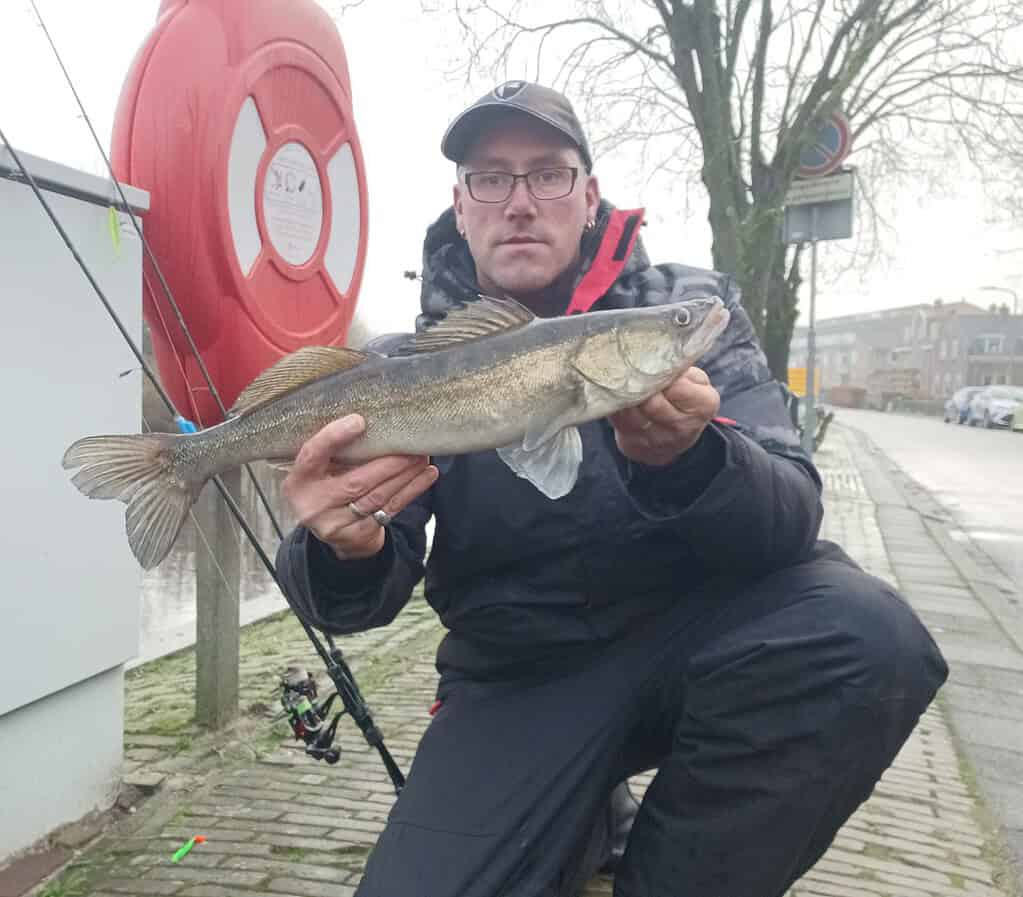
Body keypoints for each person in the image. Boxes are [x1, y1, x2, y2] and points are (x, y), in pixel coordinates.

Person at [276, 81, 948, 897]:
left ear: (588, 196)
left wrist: (696, 460)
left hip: (697, 640)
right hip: (517, 671)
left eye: (548, 173)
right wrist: (339, 548)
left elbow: (790, 517)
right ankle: (577, 809)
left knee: (867, 634)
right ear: (460, 207)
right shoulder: (401, 365)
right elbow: (358, 604)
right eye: (490, 177)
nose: (519, 201)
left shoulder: (684, 312)